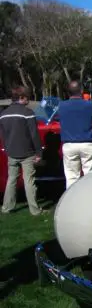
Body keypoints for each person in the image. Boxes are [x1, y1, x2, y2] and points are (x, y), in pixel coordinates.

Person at [0, 86, 45, 215]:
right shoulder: (27, 113)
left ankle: (7, 207)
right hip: (27, 152)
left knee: (11, 180)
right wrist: (38, 153)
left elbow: (3, 135)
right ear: (21, 98)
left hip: (11, 152)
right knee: (29, 181)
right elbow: (34, 134)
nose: (28, 101)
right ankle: (35, 210)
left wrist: (7, 148)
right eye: (27, 98)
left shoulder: (3, 115)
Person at [58, 81, 92, 188]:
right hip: (87, 143)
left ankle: (71, 201)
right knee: (90, 175)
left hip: (69, 144)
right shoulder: (89, 105)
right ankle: (90, 198)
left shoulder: (62, 106)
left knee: (71, 177)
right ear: (81, 91)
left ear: (68, 92)